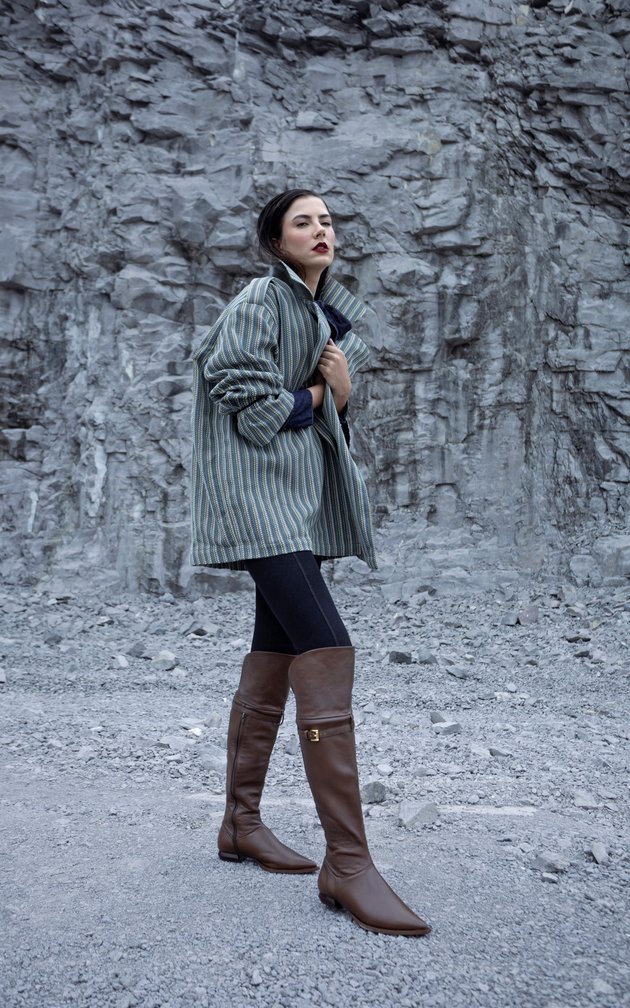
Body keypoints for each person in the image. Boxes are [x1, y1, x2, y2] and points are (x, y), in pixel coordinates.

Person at [190, 189, 431, 937]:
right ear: (275, 240)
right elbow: (241, 391)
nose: (321, 230)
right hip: (258, 500)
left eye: (327, 221)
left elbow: (322, 413)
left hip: (294, 502)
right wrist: (327, 391)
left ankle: (240, 825)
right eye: (304, 222)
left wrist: (337, 394)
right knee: (327, 648)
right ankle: (348, 864)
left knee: (276, 649)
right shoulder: (263, 300)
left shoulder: (325, 315)